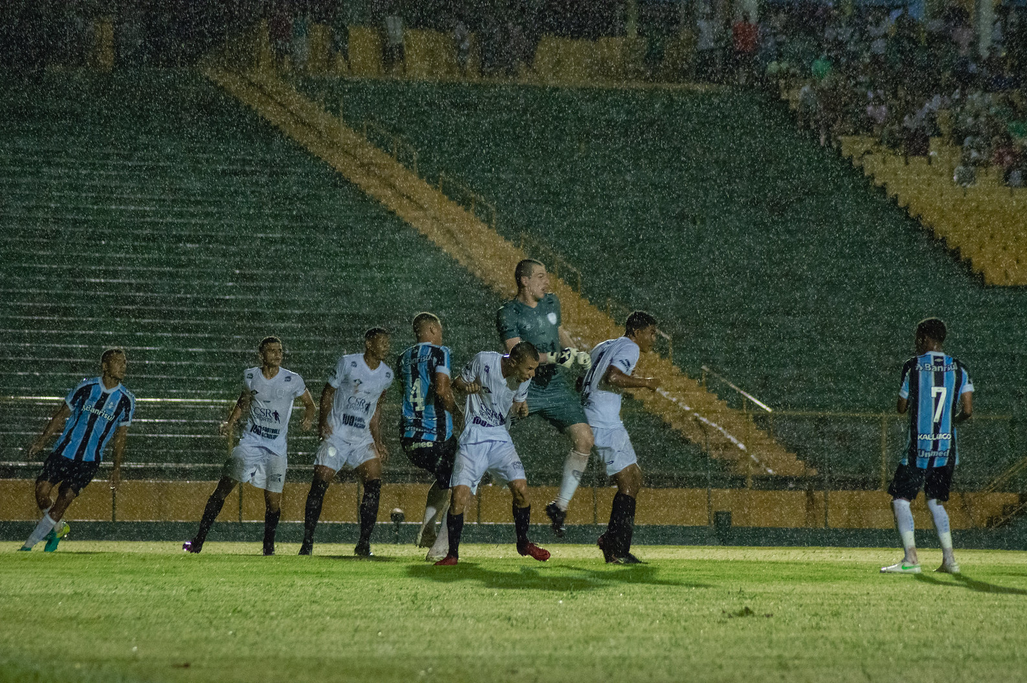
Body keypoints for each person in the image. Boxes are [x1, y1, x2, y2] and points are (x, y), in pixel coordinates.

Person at [183, 337, 315, 556]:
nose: (277, 354)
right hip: (250, 442)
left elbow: (310, 404)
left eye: (280, 350)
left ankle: (268, 547)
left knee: (273, 502)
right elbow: (243, 401)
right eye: (272, 350)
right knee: (223, 487)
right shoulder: (250, 376)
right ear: (261, 355)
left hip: (276, 449)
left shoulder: (292, 379)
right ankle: (199, 540)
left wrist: (308, 418)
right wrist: (230, 423)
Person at [497, 259, 593, 537]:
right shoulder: (508, 312)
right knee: (486, 440)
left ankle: (559, 506)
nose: (547, 282)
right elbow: (517, 355)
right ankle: (464, 493)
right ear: (524, 281)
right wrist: (553, 357)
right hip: (523, 385)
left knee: (585, 439)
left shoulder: (552, 302)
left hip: (556, 386)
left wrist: (575, 354)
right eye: (540, 276)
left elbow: (559, 331)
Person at [434, 342, 550, 566]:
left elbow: (517, 404)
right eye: (529, 368)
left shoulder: (523, 379)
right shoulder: (484, 360)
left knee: (521, 490)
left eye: (534, 369)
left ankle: (523, 542)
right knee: (459, 497)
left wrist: (521, 409)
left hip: (500, 438)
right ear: (513, 362)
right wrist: (467, 387)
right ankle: (452, 555)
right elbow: (457, 383)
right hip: (473, 437)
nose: (532, 374)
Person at [20, 349, 135, 552]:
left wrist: (116, 467)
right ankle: (58, 528)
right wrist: (42, 441)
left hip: (89, 461)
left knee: (64, 498)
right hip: (64, 450)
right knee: (41, 490)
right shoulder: (86, 387)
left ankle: (28, 546)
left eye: (124, 362)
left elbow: (121, 437)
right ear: (105, 366)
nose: (123, 366)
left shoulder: (126, 399)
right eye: (118, 362)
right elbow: (60, 415)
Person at [882, 318, 973, 575]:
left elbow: (901, 408)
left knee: (900, 500)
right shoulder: (960, 368)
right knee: (935, 502)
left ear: (924, 338)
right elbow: (968, 410)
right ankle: (950, 560)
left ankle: (911, 560)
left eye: (917, 338)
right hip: (946, 448)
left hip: (919, 448)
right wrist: (949, 423)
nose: (916, 342)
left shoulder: (913, 366)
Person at [300, 328, 394, 556]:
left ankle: (363, 544)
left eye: (387, 342)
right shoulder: (347, 363)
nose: (386, 346)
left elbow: (376, 409)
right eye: (381, 342)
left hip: (362, 437)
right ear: (369, 343)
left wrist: (378, 441)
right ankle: (307, 542)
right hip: (338, 434)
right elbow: (327, 393)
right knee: (320, 483)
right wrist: (323, 423)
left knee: (374, 483)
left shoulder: (387, 374)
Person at [581, 312, 661, 564]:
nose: (654, 338)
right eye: (651, 333)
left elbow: (581, 379)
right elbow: (613, 377)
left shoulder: (604, 346)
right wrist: (645, 383)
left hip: (604, 418)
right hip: (602, 421)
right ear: (637, 332)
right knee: (627, 482)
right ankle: (616, 548)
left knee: (635, 477)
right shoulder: (630, 347)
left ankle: (613, 540)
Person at [397, 312, 458, 561]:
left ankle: (428, 531)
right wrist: (459, 413)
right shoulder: (440, 352)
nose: (441, 336)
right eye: (440, 331)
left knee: (444, 479)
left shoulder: (402, 358)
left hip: (409, 438)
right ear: (432, 329)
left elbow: (406, 392)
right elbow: (442, 390)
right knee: (464, 483)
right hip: (437, 437)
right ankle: (440, 548)